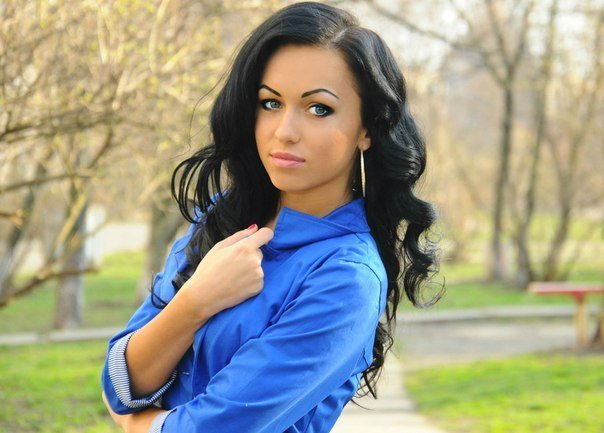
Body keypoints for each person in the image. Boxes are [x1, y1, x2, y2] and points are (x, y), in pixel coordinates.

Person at [100, 2, 443, 432]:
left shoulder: (347, 277)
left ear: (367, 129)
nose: (284, 131)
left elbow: (207, 425)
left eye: (319, 108)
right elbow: (119, 383)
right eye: (270, 103)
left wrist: (135, 425)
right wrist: (195, 301)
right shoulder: (221, 216)